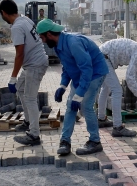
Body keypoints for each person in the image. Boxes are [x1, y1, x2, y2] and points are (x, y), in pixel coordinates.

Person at [36, 19, 109, 156]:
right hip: (82, 75)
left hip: (95, 73)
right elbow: (68, 67)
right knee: (70, 106)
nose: (42, 41)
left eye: (42, 37)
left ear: (49, 34)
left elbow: (87, 70)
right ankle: (65, 141)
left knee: (85, 106)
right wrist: (63, 86)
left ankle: (95, 141)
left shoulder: (73, 43)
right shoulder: (58, 46)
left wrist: (79, 95)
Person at [0, 0, 49, 146]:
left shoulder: (17, 27)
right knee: (21, 88)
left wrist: (12, 77)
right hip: (33, 64)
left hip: (35, 65)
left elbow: (19, 54)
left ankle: (34, 135)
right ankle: (28, 121)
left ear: (3, 13)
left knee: (30, 98)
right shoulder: (25, 19)